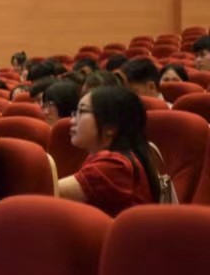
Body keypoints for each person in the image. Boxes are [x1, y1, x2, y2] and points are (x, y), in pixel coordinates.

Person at [58, 86, 160, 217]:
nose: (72, 121)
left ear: (110, 127)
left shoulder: (115, 165)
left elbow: (48, 191)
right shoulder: (109, 157)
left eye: (81, 111)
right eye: (74, 113)